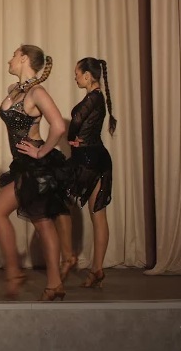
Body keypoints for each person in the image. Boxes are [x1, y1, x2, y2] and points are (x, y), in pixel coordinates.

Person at [0, 45, 68, 301]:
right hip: (21, 165)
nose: (9, 60)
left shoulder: (37, 92)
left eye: (13, 55)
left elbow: (58, 126)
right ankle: (23, 274)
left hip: (36, 166)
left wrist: (41, 151)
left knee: (41, 222)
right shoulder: (15, 89)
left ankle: (46, 281)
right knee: (10, 215)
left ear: (23, 58)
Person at [55, 58, 117, 288]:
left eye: (77, 73)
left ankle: (71, 257)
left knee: (60, 200)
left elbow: (76, 122)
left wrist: (71, 138)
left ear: (87, 76)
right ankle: (96, 269)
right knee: (97, 214)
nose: (75, 77)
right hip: (97, 158)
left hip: (88, 160)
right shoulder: (97, 98)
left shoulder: (93, 98)